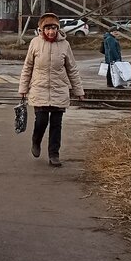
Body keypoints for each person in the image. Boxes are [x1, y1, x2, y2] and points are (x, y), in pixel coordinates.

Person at [18, 13, 84, 168]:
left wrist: (78, 90)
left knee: (56, 123)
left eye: (53, 28)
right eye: (47, 28)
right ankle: (36, 140)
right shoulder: (35, 43)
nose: (51, 32)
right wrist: (23, 88)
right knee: (41, 121)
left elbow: (72, 69)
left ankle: (54, 154)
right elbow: (27, 67)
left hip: (59, 89)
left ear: (57, 28)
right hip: (39, 88)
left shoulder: (64, 45)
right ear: (42, 29)